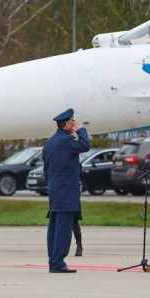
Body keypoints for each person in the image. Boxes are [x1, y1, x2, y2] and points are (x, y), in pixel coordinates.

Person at [43, 108, 90, 273]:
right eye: (73, 122)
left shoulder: (50, 142)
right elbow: (85, 145)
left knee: (54, 227)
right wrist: (82, 130)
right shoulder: (65, 141)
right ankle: (58, 263)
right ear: (67, 124)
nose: (75, 124)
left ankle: (53, 261)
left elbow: (46, 169)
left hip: (55, 189)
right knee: (63, 228)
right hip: (67, 190)